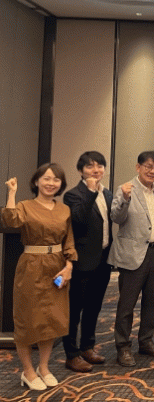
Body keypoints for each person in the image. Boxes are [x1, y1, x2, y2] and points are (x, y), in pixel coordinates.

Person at [2, 164, 76, 391]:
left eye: (56, 180)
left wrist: (69, 266)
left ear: (61, 184)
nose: (51, 183)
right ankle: (28, 371)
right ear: (36, 181)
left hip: (57, 267)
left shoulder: (64, 210)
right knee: (27, 320)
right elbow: (11, 221)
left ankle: (43, 367)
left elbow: (69, 241)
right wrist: (12, 193)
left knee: (51, 320)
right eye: (46, 178)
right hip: (31, 266)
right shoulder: (26, 206)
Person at [109, 151, 154, 367]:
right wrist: (125, 199)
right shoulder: (125, 189)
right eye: (148, 166)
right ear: (138, 167)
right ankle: (123, 347)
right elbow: (116, 217)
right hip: (133, 255)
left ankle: (146, 341)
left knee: (151, 302)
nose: (152, 171)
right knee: (127, 305)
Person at [62, 151, 113, 373]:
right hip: (81, 261)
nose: (96, 170)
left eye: (100, 166)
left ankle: (87, 347)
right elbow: (79, 220)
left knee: (94, 306)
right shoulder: (73, 195)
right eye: (90, 166)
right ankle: (71, 354)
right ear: (80, 170)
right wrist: (91, 192)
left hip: (103, 259)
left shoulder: (108, 194)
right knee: (74, 310)